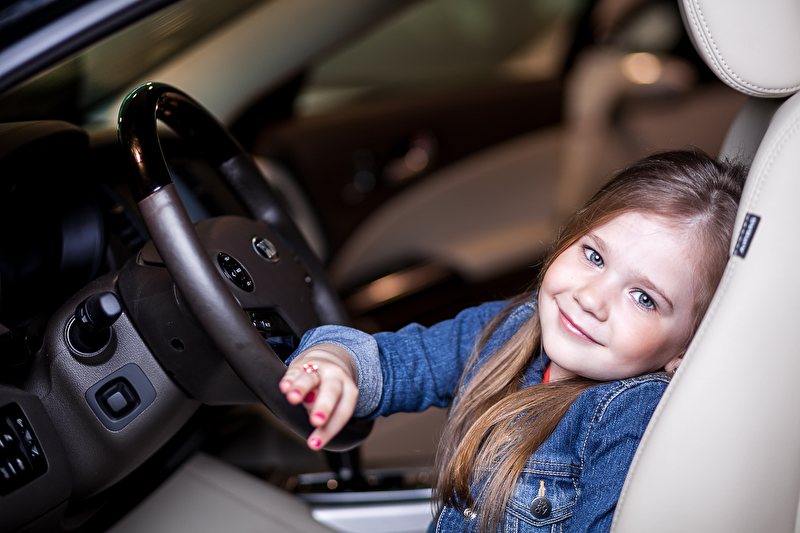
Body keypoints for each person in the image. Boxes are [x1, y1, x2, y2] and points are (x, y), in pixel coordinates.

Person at [279, 149, 747, 532]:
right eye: (593, 256)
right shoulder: (512, 327)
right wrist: (337, 360)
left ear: (687, 348)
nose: (590, 299)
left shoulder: (630, 417)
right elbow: (402, 362)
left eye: (644, 298)